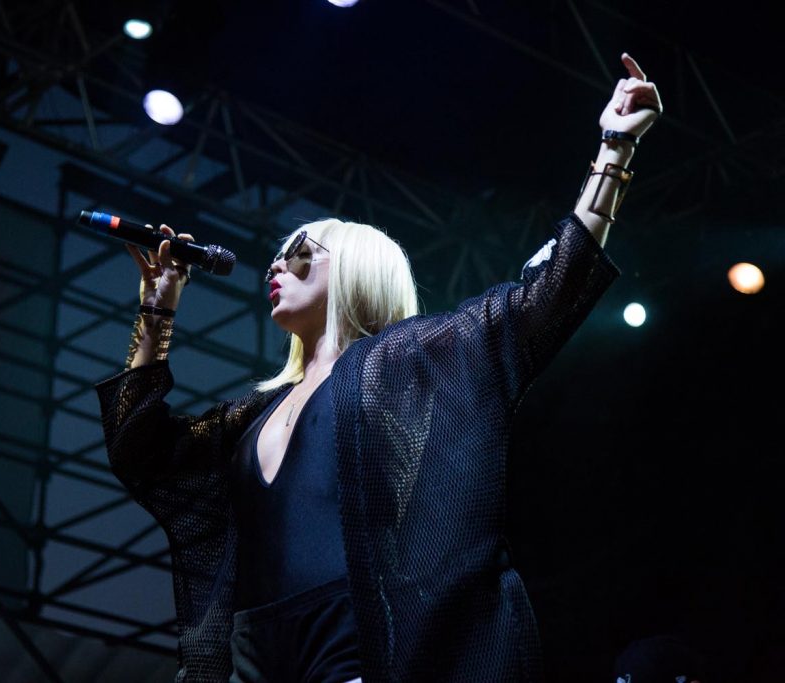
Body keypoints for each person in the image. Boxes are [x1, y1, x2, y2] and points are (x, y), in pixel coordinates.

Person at [96, 53, 662, 682]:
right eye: (278, 256)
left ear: (355, 269)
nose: (276, 265)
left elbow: (546, 294)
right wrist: (157, 309)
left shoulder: (400, 362)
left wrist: (613, 149)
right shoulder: (252, 414)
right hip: (256, 653)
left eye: (300, 252)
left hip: (353, 640)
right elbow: (137, 448)